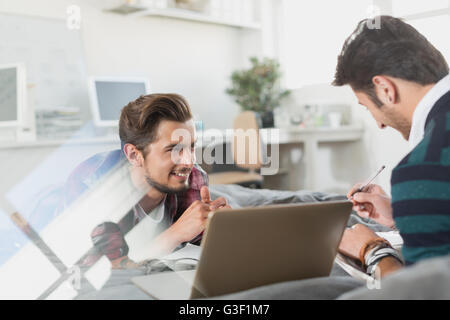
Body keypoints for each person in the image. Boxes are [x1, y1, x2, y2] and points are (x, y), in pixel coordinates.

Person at [333, 15, 450, 279]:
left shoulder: (422, 169)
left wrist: (373, 250)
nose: (379, 124)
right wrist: (405, 216)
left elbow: (423, 297)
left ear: (385, 89)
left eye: (368, 108)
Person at [63, 93, 230, 268]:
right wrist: (174, 235)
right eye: (174, 150)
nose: (189, 162)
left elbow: (200, 242)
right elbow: (96, 272)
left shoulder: (194, 178)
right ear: (135, 155)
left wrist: (221, 232)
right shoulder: (91, 188)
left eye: (192, 147)